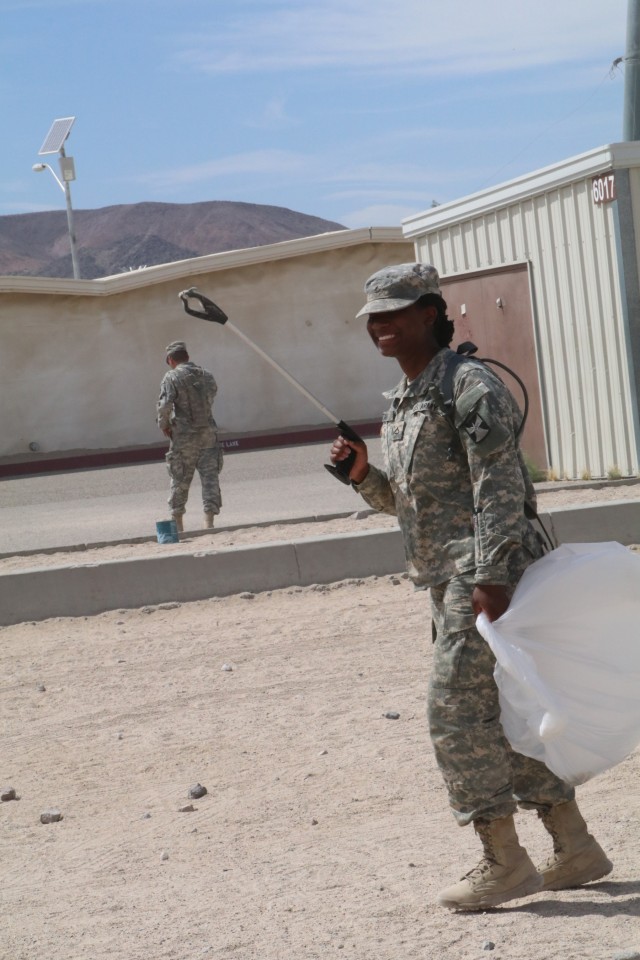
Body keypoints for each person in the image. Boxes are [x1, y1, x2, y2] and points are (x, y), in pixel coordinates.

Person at [329, 262, 612, 911]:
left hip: (486, 573)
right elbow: (407, 503)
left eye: (395, 311)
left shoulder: (469, 384)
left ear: (430, 312)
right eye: (373, 315)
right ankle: (574, 846)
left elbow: (500, 483)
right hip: (446, 578)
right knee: (499, 716)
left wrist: (490, 575)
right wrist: (363, 476)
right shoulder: (403, 402)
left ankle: (504, 860)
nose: (381, 325)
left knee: (453, 716)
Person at [157, 340, 223, 532]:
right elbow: (211, 397)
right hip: (208, 434)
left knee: (180, 478)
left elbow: (164, 405)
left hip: (184, 437)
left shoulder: (171, 377)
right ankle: (209, 522)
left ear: (170, 359)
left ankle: (178, 524)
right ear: (187, 356)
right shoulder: (207, 375)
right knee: (210, 478)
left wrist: (164, 424)